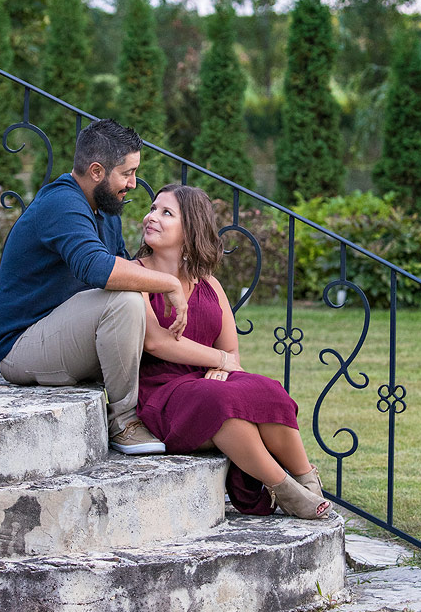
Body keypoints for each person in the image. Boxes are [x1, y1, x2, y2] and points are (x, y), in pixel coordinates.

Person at [0, 119, 190, 454]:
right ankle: (124, 421)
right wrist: (168, 283)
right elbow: (96, 268)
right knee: (122, 300)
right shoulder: (62, 203)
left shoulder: (105, 210)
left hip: (63, 335)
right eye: (127, 173)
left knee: (130, 295)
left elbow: (126, 270)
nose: (134, 183)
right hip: (20, 347)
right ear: (97, 170)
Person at [135, 183, 331, 519]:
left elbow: (230, 349)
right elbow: (156, 342)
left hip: (208, 381)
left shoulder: (208, 283)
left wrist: (225, 364)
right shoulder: (136, 275)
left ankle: (307, 480)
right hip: (161, 392)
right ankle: (284, 489)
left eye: (166, 212)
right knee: (219, 402)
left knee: (270, 389)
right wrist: (221, 361)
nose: (151, 217)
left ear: (190, 229)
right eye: (153, 209)